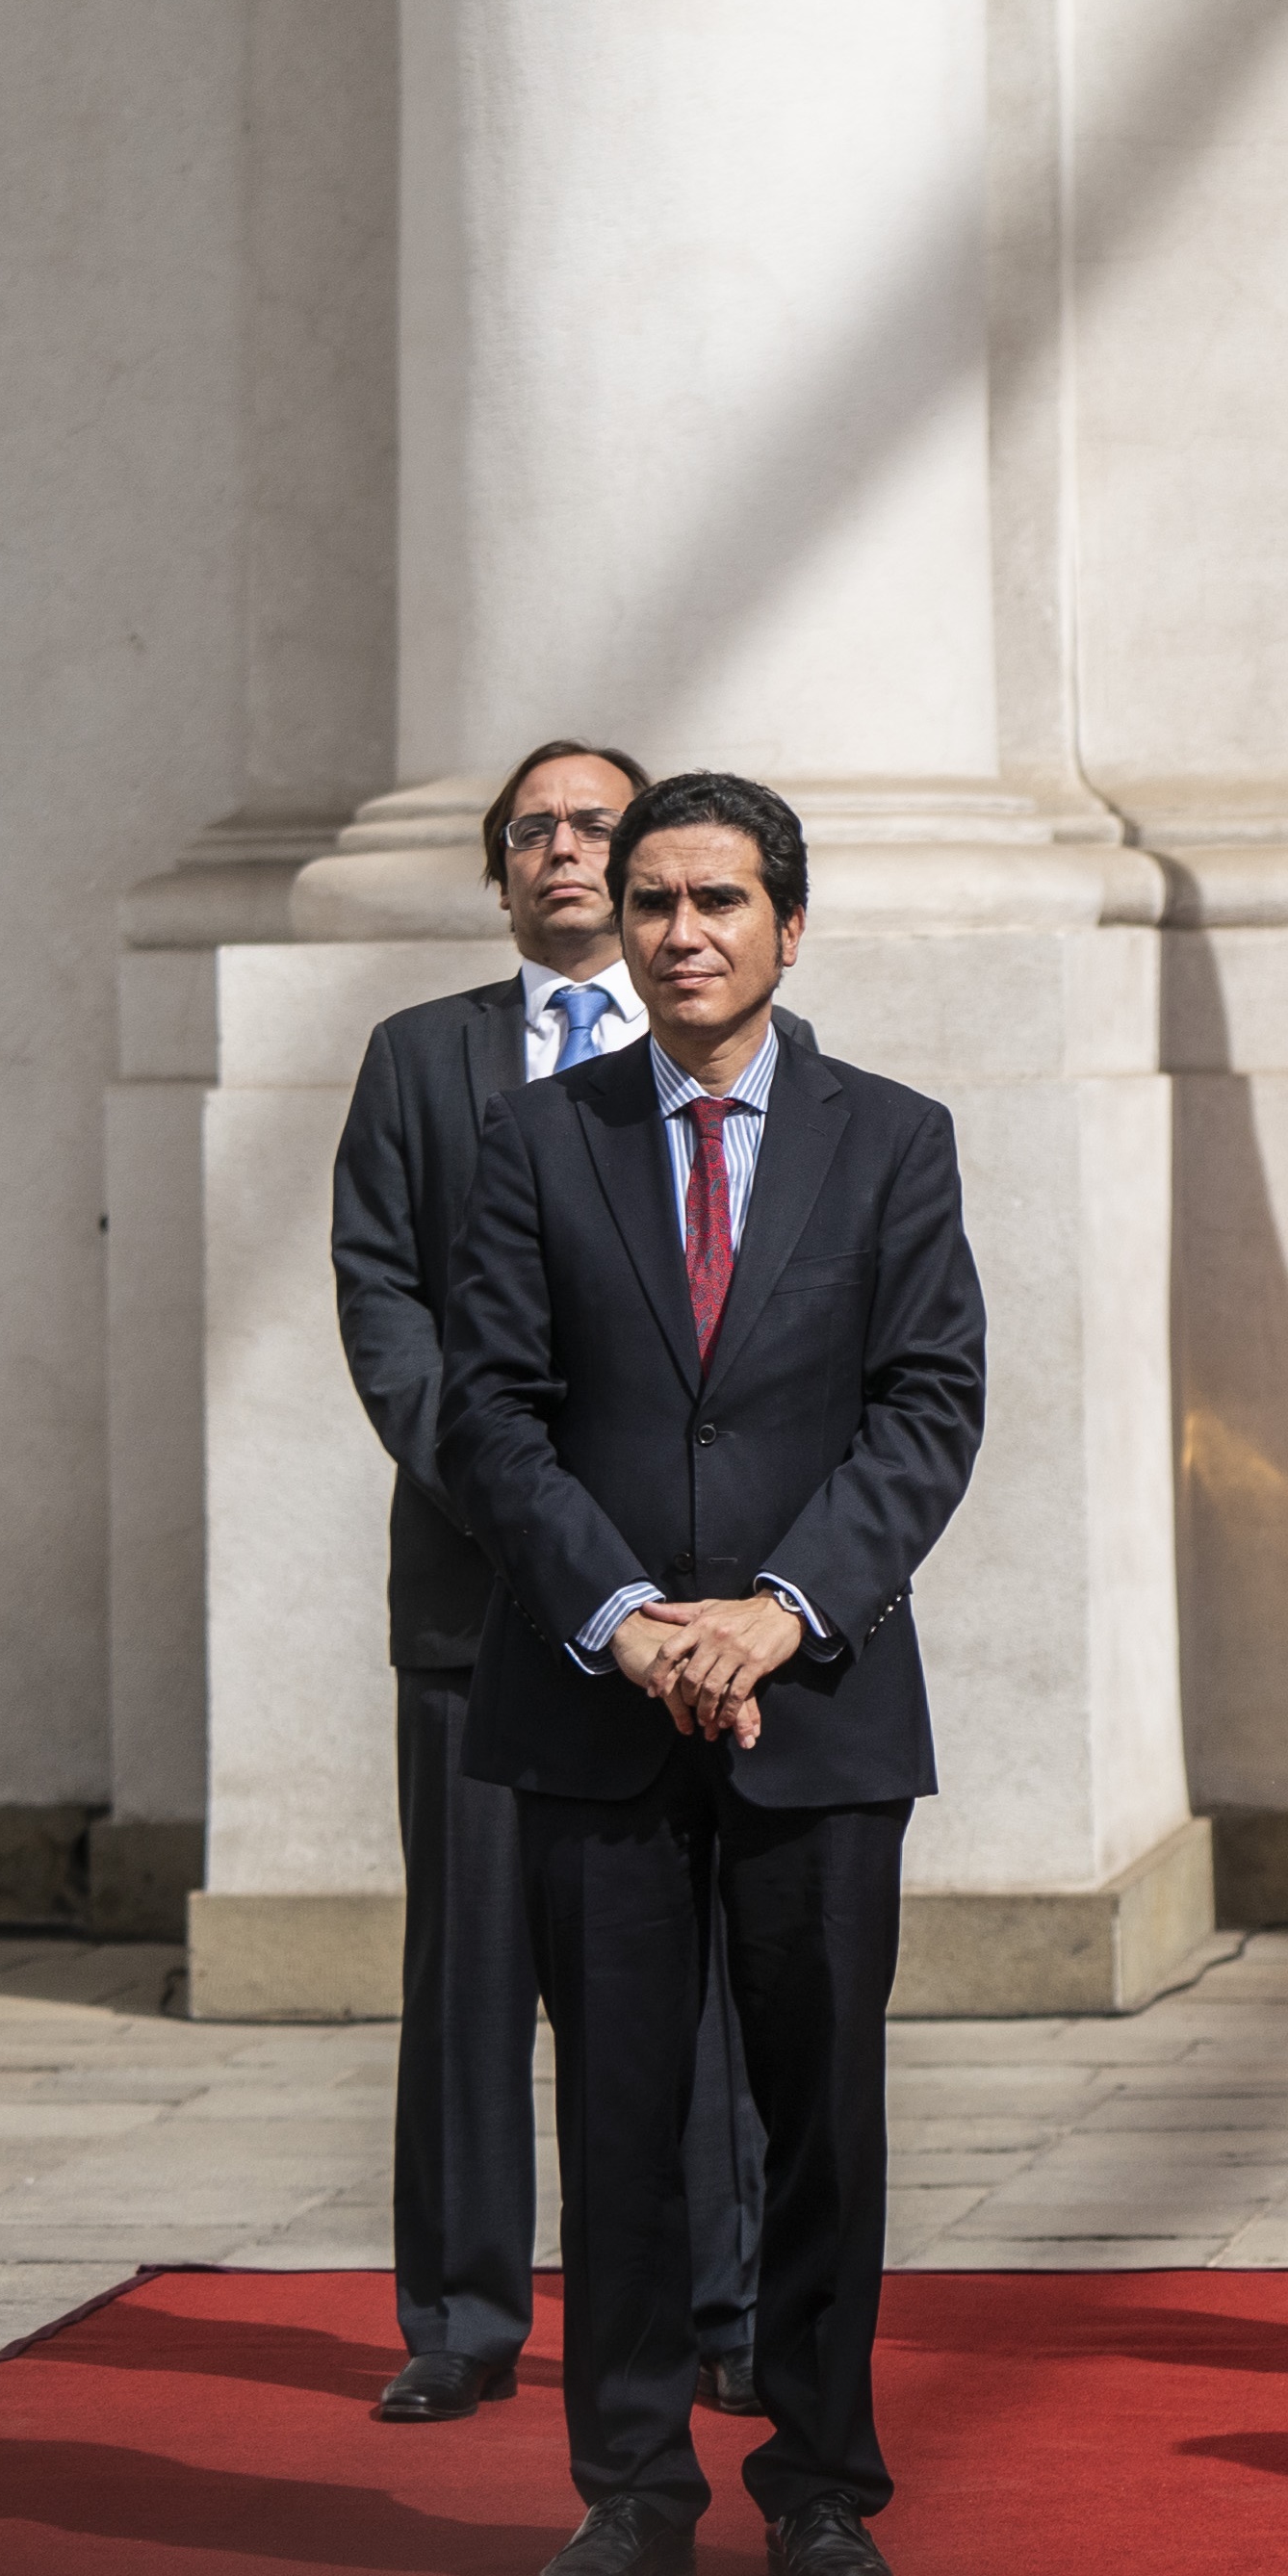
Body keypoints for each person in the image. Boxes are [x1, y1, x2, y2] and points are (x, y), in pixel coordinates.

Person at [437, 770, 989, 2576]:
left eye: (721, 902)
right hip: (596, 1708)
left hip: (816, 1710)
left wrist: (774, 1614)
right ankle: (631, 2486)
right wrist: (625, 1616)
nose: (680, 932)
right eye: (655, 900)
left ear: (789, 924)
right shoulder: (537, 1138)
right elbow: (491, 1416)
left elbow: (930, 1408)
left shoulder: (892, 1139)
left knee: (824, 2115)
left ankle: (822, 2481)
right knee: (619, 2117)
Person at [326, 739, 770, 2428]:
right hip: (481, 1597)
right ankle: (462, 2313)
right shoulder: (419, 1062)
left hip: (699, 1615)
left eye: (602, 825)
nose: (570, 852)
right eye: (537, 831)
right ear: (498, 872)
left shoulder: (718, 1066)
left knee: (699, 1977)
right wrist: (542, 1535)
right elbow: (390, 1315)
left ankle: (718, 2304)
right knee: (471, 1969)